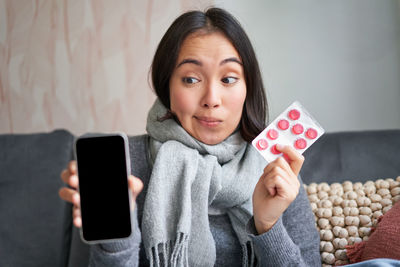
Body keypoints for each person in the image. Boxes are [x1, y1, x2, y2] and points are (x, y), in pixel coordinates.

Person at [59, 7, 321, 267]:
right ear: (167, 87)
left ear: (247, 88)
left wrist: (268, 226)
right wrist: (117, 235)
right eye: (191, 79)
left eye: (228, 79)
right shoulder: (126, 166)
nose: (211, 99)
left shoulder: (276, 169)